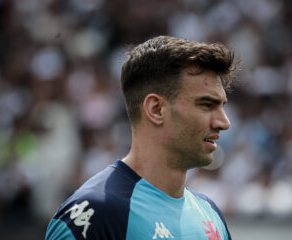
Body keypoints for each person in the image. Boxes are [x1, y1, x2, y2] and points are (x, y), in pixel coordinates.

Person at [45, 35, 238, 240]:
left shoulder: (210, 214)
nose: (224, 122)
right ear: (156, 109)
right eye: (206, 105)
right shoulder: (94, 216)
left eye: (222, 106)